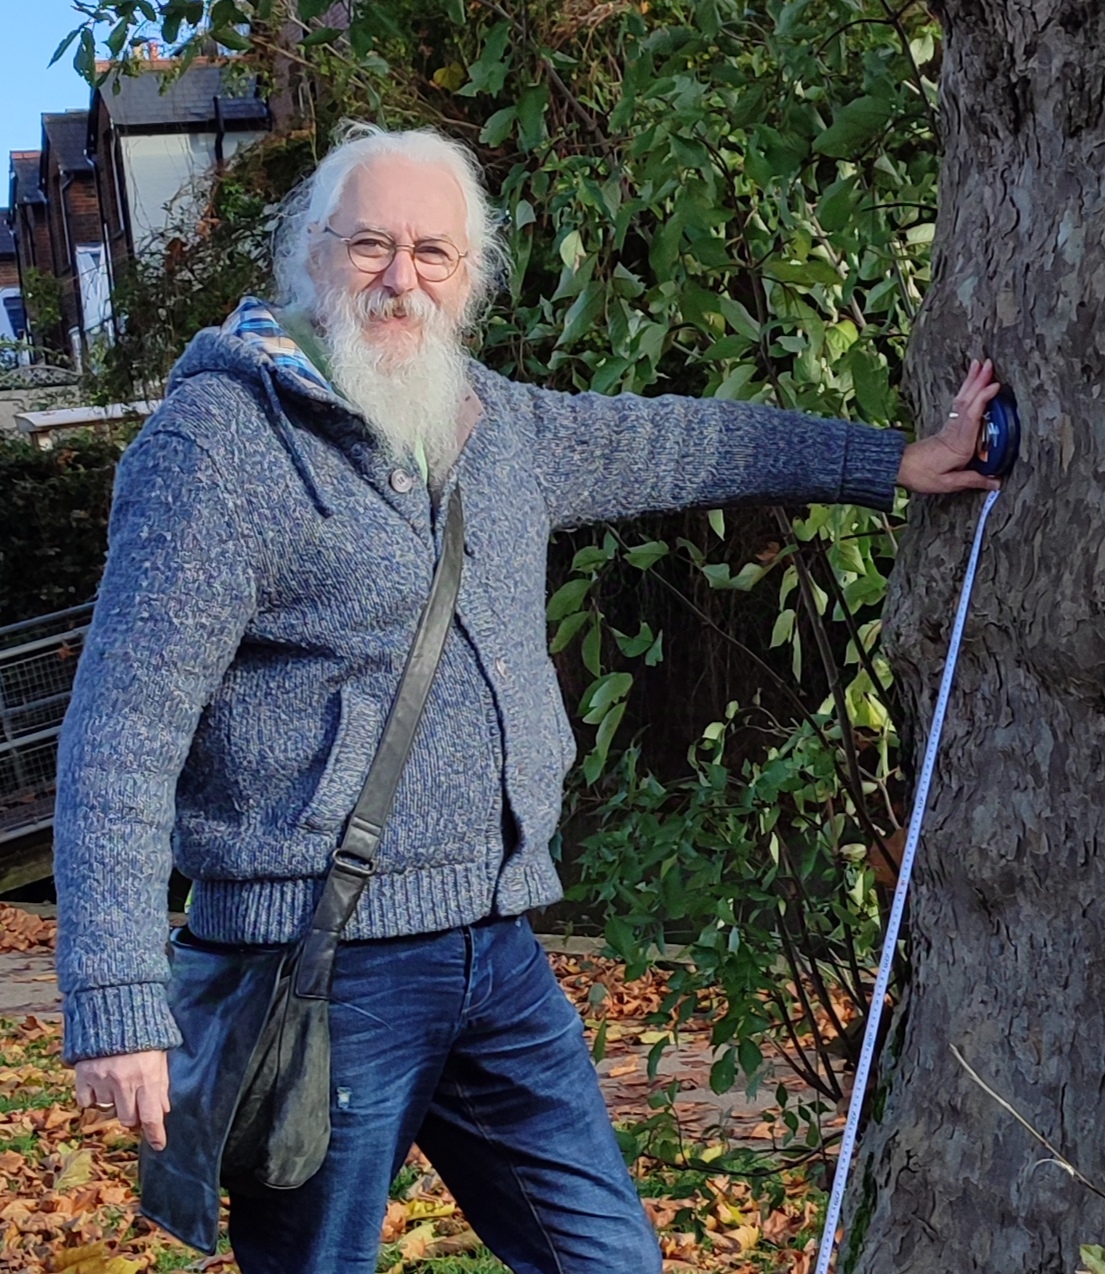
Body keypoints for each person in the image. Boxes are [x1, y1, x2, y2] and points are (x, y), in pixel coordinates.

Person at [54, 122, 1001, 1274]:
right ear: (312, 254)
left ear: (469, 277)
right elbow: (119, 733)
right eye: (369, 245)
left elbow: (686, 441)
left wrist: (890, 463)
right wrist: (115, 996)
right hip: (315, 969)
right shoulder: (217, 444)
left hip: (494, 949)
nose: (400, 278)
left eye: (432, 252)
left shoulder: (493, 426)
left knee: (610, 1259)